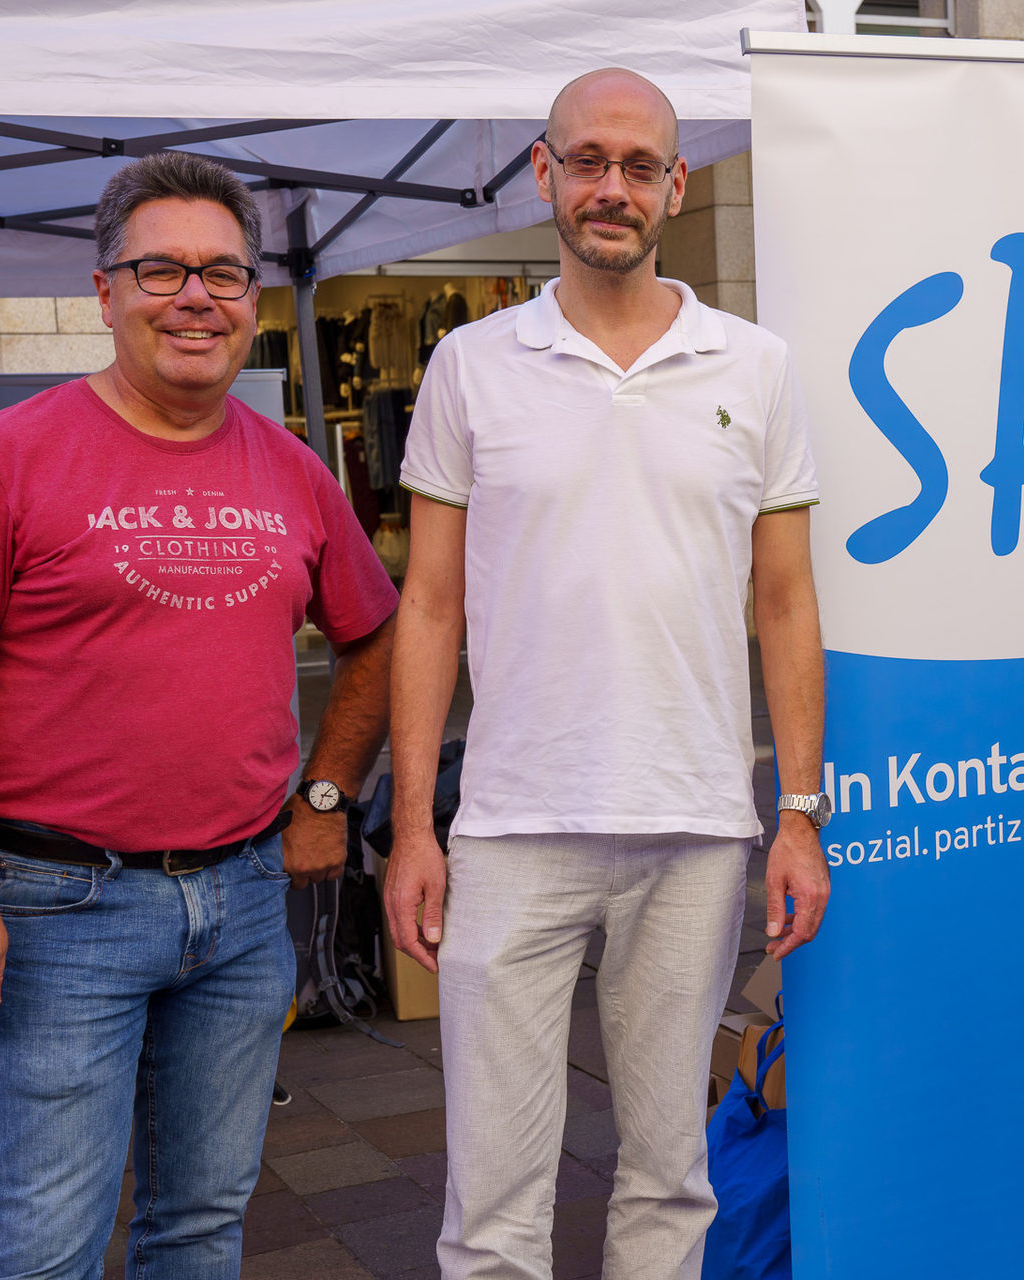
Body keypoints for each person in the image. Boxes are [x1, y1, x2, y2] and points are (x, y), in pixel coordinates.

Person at [0, 152, 398, 1279]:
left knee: (202, 1220)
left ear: (252, 297)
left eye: (223, 272)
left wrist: (324, 797)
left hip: (244, 898)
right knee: (46, 1242)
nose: (195, 297)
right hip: (61, 906)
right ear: (103, 291)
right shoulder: (3, 459)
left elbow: (375, 635)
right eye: (161, 270)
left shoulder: (293, 470)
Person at [384, 67, 829, 1280]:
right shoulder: (471, 364)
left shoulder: (754, 365)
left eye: (639, 166)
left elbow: (787, 602)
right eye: (588, 160)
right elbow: (428, 605)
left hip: (694, 823)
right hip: (511, 827)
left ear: (677, 186)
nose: (611, 187)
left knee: (670, 1178)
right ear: (545, 173)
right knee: (492, 1202)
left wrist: (799, 812)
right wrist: (414, 825)